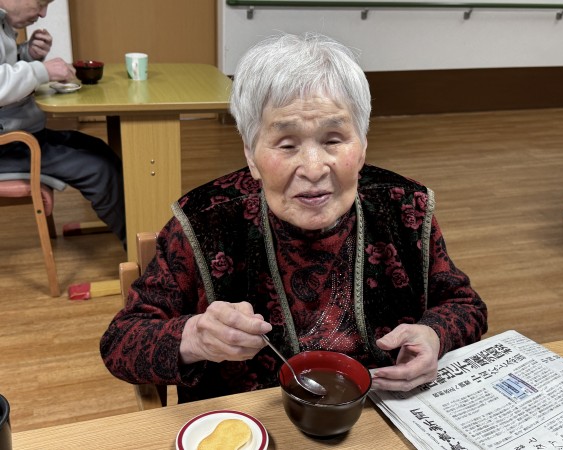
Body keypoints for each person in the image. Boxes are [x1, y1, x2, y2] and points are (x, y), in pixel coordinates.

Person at [100, 32, 487, 402]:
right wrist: (194, 337)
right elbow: (121, 341)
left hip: (380, 411)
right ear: (251, 154)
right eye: (286, 145)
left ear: (363, 145)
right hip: (252, 424)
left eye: (333, 139)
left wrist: (434, 335)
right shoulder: (206, 221)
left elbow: (466, 305)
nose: (314, 168)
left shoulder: (404, 207)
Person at [0, 0, 125, 246]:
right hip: (8, 146)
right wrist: (41, 70)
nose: (43, 14)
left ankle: (140, 231)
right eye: (40, 3)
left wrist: (28, 54)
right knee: (98, 168)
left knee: (98, 149)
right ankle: (147, 253)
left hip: (20, 137)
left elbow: (6, 68)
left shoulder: (3, 23)